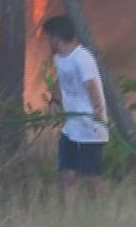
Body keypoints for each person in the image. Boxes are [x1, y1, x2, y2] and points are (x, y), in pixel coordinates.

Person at [42, 15, 109, 198]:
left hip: (90, 125)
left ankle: (108, 210)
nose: (48, 41)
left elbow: (91, 84)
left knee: (92, 177)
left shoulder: (82, 58)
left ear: (57, 37)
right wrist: (54, 101)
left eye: (49, 37)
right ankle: (69, 217)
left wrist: (97, 109)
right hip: (71, 125)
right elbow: (60, 81)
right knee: (67, 174)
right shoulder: (60, 58)